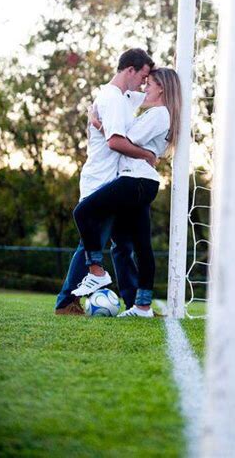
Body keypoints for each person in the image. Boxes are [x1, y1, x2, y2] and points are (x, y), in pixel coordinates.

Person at [71, 68, 181, 318]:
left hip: (136, 181)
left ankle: (97, 272)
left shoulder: (159, 114)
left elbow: (122, 140)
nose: (145, 88)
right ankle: (142, 306)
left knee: (83, 211)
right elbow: (129, 108)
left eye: (149, 84)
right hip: (141, 182)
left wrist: (96, 121)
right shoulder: (157, 113)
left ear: (162, 88)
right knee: (139, 244)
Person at [55, 48, 157, 315]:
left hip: (118, 183)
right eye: (143, 76)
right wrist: (147, 155)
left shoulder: (125, 97)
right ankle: (65, 301)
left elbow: (152, 94)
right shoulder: (111, 99)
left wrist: (167, 72)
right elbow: (114, 142)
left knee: (123, 246)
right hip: (100, 181)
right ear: (129, 70)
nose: (144, 83)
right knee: (92, 243)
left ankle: (136, 304)